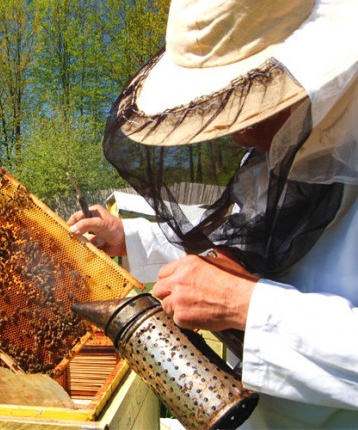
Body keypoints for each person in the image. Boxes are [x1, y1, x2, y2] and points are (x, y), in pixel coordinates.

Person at [68, 0, 358, 428]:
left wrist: (246, 305)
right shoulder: (277, 149)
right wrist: (130, 237)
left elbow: (241, 288)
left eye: (254, 97)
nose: (239, 135)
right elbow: (239, 241)